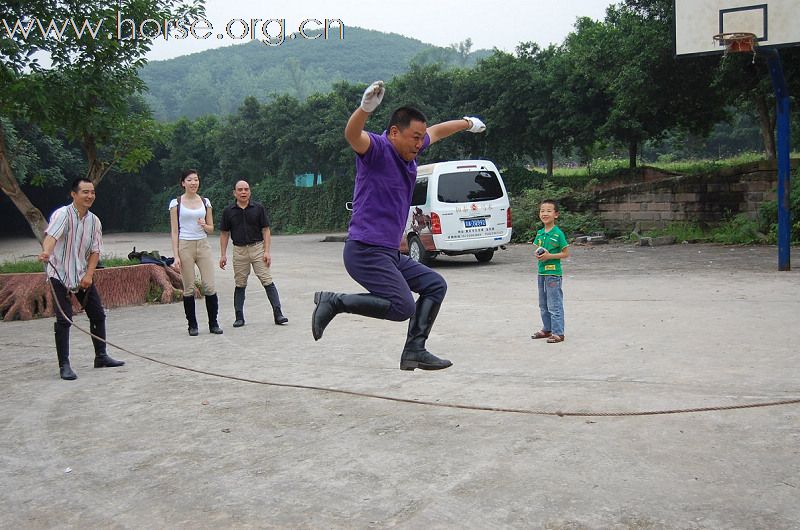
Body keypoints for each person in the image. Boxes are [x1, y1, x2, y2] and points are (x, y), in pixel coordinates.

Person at [311, 80, 486, 371]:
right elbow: (352, 134)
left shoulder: (410, 150)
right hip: (365, 251)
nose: (420, 144)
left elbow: (438, 131)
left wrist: (467, 123)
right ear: (394, 132)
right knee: (402, 306)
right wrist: (365, 109)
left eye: (420, 139)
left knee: (434, 285)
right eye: (414, 138)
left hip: (389, 253)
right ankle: (334, 302)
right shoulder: (378, 149)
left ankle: (415, 350)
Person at [38, 177, 125, 380]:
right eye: (85, 192)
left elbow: (95, 251)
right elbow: (51, 237)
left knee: (97, 314)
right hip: (59, 273)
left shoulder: (94, 221)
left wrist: (89, 275)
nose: (90, 196)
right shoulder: (62, 215)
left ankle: (101, 356)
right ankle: (64, 365)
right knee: (64, 319)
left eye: (92, 192)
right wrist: (46, 252)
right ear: (74, 194)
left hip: (81, 274)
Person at [218, 180, 288, 327]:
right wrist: (223, 254)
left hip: (258, 248)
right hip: (239, 251)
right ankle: (239, 317)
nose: (243, 192)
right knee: (240, 284)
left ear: (250, 191)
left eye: (246, 189)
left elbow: (266, 230)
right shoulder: (228, 211)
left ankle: (278, 314)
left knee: (267, 280)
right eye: (240, 190)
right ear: (234, 193)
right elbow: (224, 233)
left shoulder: (258, 208)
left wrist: (267, 251)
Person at [169, 169, 223, 336]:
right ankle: (192, 325)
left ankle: (213, 323)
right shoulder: (176, 203)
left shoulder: (205, 202)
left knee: (209, 285)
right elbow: (174, 231)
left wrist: (204, 225)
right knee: (189, 287)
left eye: (196, 180)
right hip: (185, 245)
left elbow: (211, 228)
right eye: (190, 180)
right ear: (183, 183)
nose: (193, 183)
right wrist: (176, 255)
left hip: (203, 244)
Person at [530, 199, 570, 343]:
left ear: (556, 214)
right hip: (541, 273)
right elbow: (537, 249)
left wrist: (549, 256)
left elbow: (565, 254)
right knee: (543, 303)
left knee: (554, 304)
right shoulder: (540, 233)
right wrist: (538, 254)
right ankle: (547, 329)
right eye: (542, 211)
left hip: (553, 274)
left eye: (548, 211)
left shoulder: (558, 234)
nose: (545, 214)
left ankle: (558, 333)